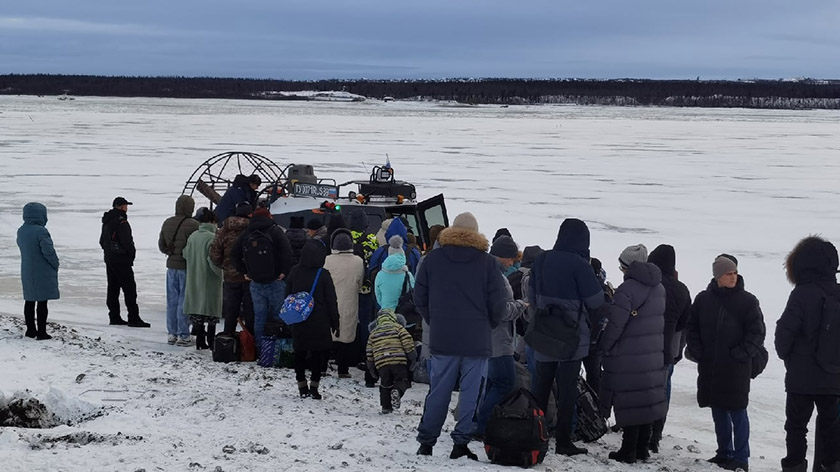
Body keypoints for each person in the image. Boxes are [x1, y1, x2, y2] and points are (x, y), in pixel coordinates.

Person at [414, 212, 507, 461]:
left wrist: (435, 321)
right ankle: (460, 443)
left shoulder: (433, 259)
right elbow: (499, 302)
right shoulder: (487, 263)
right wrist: (488, 324)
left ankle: (426, 442)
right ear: (476, 235)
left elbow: (419, 297)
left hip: (443, 336)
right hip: (477, 338)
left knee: (439, 390)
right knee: (470, 393)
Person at [524, 218, 605, 456]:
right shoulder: (580, 266)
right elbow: (595, 301)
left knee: (541, 387)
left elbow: (532, 293)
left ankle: (535, 434)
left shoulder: (542, 259)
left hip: (544, 331)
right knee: (567, 390)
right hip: (572, 336)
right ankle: (563, 441)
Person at [686, 254, 765, 472]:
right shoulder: (703, 299)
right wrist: (698, 351)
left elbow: (757, 333)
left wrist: (739, 354)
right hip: (711, 365)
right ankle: (724, 453)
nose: (733, 277)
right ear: (717, 276)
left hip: (736, 368)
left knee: (738, 412)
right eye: (728, 274)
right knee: (718, 409)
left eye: (735, 273)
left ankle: (741, 458)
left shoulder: (748, 301)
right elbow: (691, 328)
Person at [598, 245, 667, 464]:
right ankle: (642, 449)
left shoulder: (626, 289)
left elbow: (616, 325)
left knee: (629, 401)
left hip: (628, 354)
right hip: (652, 352)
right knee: (645, 401)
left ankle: (628, 450)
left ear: (628, 266)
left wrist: (604, 346)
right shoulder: (659, 288)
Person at [775, 236, 840, 472]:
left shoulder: (802, 293)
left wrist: (790, 360)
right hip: (833, 375)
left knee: (796, 428)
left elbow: (784, 336)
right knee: (831, 427)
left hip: (801, 379)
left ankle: (794, 468)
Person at [473, 235, 528, 438]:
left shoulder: (483, 271)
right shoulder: (496, 277)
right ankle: (484, 426)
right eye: (510, 258)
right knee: (505, 382)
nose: (512, 262)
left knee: (490, 383)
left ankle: (479, 422)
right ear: (501, 256)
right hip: (498, 340)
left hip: (487, 338)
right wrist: (521, 306)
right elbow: (501, 310)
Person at [647, 244, 692, 453]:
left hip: (646, 347)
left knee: (643, 390)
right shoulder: (681, 289)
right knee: (663, 391)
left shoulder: (650, 284)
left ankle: (640, 434)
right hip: (669, 349)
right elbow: (685, 323)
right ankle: (656, 435)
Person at [230, 207, 292, 349]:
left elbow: (234, 255)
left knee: (259, 316)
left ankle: (259, 349)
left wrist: (245, 272)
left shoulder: (247, 233)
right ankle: (278, 348)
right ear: (268, 216)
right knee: (279, 315)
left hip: (255, 282)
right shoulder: (275, 231)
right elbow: (287, 252)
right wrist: (283, 272)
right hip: (275, 281)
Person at [287, 239, 340, 399]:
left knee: (300, 353)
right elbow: (331, 300)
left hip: (299, 318)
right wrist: (335, 321)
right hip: (320, 320)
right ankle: (314, 387)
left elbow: (287, 295)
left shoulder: (294, 271)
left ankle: (301, 385)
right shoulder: (323, 274)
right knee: (318, 355)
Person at [100, 197, 151, 328]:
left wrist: (109, 252)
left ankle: (114, 316)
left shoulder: (107, 221)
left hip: (109, 259)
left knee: (113, 288)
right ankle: (133, 317)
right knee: (129, 289)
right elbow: (127, 242)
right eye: (126, 205)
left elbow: (102, 241)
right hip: (121, 260)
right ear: (121, 207)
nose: (127, 208)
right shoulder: (121, 222)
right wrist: (130, 255)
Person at [158, 195, 200, 345]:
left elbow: (161, 245)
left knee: (172, 300)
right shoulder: (194, 225)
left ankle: (172, 333)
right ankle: (184, 334)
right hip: (186, 267)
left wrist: (171, 253)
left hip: (171, 266)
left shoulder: (167, 222)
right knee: (185, 300)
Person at [323, 228, 364, 378]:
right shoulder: (358, 261)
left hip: (330, 302)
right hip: (350, 300)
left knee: (328, 334)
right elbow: (359, 283)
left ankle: (322, 367)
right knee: (346, 336)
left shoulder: (328, 260)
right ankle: (343, 369)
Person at [209, 202, 255, 335]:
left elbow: (215, 254)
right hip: (250, 276)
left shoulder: (224, 229)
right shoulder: (253, 229)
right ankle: (250, 342)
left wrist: (225, 266)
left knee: (231, 310)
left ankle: (228, 340)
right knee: (250, 311)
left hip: (230, 277)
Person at [17, 202, 59, 340]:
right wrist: (55, 264)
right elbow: (48, 251)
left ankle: (30, 330)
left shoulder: (21, 230)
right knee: (42, 302)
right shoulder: (41, 231)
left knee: (29, 301)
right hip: (42, 270)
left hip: (27, 269)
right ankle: (41, 332)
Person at [183, 209, 223, 350]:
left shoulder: (193, 236)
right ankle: (210, 341)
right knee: (211, 314)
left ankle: (200, 341)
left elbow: (185, 254)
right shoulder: (213, 238)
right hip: (210, 280)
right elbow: (213, 261)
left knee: (198, 312)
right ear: (213, 222)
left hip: (194, 278)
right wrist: (222, 274)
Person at [367, 308, 417, 414]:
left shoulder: (373, 333)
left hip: (381, 364)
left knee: (385, 384)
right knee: (402, 380)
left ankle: (386, 407)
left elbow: (369, 351)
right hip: (398, 361)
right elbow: (407, 342)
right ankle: (397, 391)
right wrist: (412, 357)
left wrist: (371, 367)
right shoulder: (398, 328)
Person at [374, 235, 414, 311]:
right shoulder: (408, 274)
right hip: (404, 312)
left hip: (386, 313)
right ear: (402, 255)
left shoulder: (380, 275)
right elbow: (413, 291)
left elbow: (378, 296)